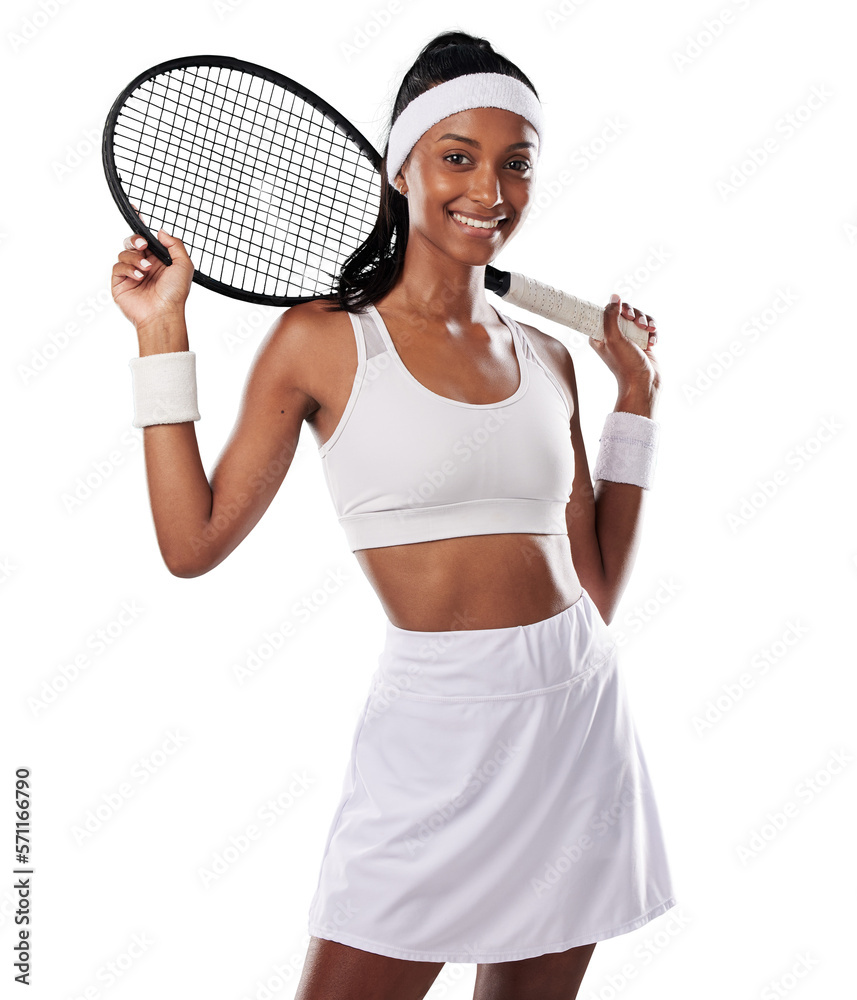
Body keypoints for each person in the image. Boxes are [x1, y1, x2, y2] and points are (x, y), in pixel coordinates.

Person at [111, 29, 676, 1000]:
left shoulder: (550, 360)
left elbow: (597, 586)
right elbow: (190, 543)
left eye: (515, 163)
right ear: (398, 167)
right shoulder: (324, 342)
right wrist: (163, 335)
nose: (488, 192)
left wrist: (637, 399)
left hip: (577, 726)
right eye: (456, 156)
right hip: (432, 738)